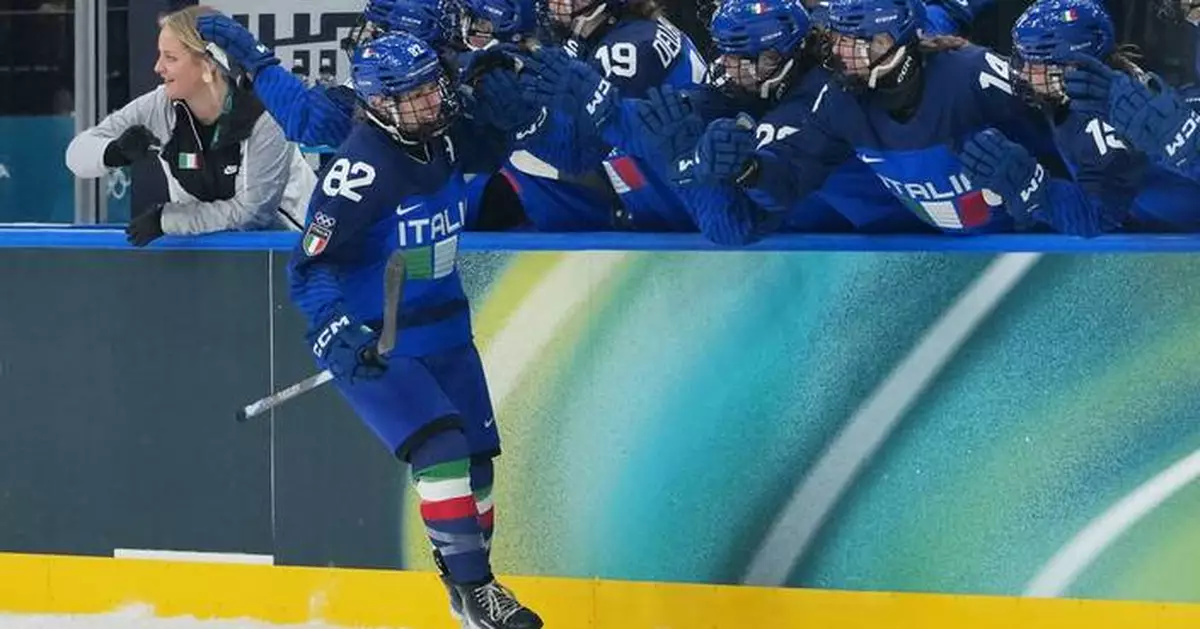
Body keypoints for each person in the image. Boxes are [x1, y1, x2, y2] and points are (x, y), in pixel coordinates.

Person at [287, 32, 541, 629]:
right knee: (443, 450)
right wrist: (335, 328)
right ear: (378, 103)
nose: (431, 102)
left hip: (447, 328)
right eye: (414, 95)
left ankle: (466, 587)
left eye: (433, 87)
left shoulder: (443, 137)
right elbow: (310, 266)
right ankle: (478, 591)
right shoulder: (359, 169)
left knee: (478, 463)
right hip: (383, 339)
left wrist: (500, 100)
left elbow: (490, 149)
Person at [699, 0, 1107, 235]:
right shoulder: (838, 99)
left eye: (854, 41)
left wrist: (1043, 190)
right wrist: (750, 169)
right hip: (934, 260)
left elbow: (1068, 122)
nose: (839, 52)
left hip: (1038, 252)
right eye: (839, 37)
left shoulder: (972, 72)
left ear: (888, 40)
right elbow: (788, 178)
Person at [65, 5, 313, 246]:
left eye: (170, 58)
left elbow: (252, 214)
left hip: (297, 250)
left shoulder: (266, 113)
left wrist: (168, 220)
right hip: (211, 256)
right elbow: (76, 154)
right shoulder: (160, 106)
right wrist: (114, 152)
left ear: (208, 65)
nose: (158, 67)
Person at [1011, 0, 1200, 231]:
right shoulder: (1118, 89)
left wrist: (1035, 190)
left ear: (1073, 63)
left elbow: (1099, 214)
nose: (1023, 71)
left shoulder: (1102, 121)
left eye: (1037, 60)